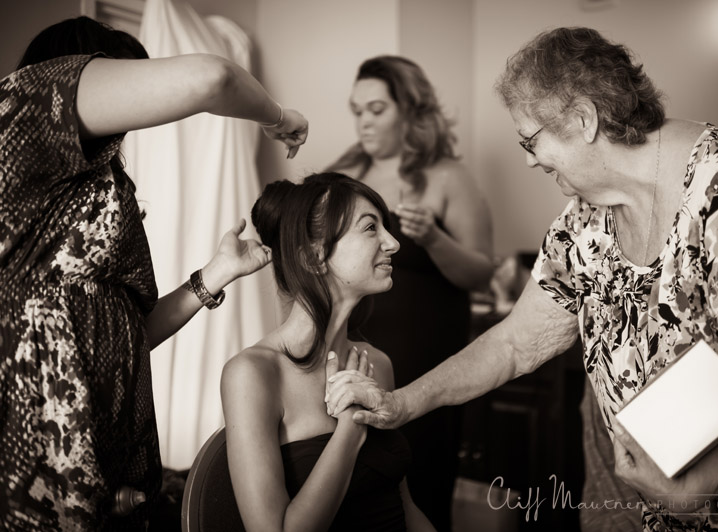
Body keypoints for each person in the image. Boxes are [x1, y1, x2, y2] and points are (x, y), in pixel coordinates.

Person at [325, 27, 718, 531]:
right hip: (624, 494)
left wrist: (703, 482)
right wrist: (398, 404)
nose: (530, 159)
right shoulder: (583, 220)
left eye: (532, 140)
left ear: (583, 119)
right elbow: (513, 345)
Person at [0, 16, 308, 530]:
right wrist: (276, 116)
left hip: (111, 446)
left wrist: (214, 275)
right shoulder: (30, 99)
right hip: (42, 432)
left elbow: (125, 331)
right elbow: (214, 79)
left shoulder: (91, 182)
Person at [327, 55, 494, 530]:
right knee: (353, 475)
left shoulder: (446, 177)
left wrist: (434, 238)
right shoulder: (346, 175)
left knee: (419, 477)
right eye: (357, 110)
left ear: (410, 110)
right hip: (357, 347)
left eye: (376, 109)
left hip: (427, 354)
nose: (363, 121)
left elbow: (481, 273)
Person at [221, 172, 434, 531]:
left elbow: (404, 508)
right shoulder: (253, 374)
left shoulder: (376, 364)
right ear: (314, 257)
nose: (393, 243)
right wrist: (350, 429)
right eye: (371, 228)